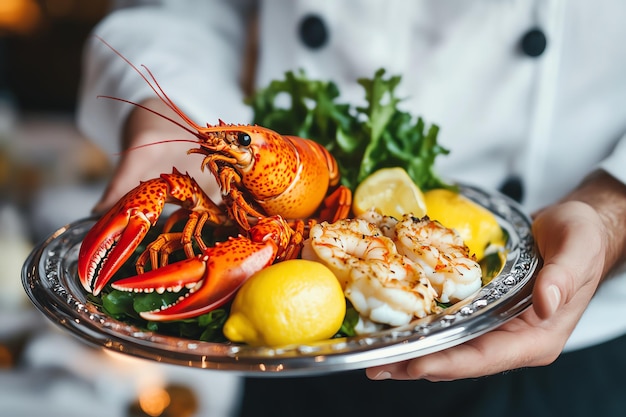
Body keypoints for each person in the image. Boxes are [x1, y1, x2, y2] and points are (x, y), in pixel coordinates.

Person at [77, 1, 626, 416]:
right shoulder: (235, 162)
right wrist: (163, 106)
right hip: (289, 354)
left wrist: (610, 211)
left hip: (570, 348)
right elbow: (183, 11)